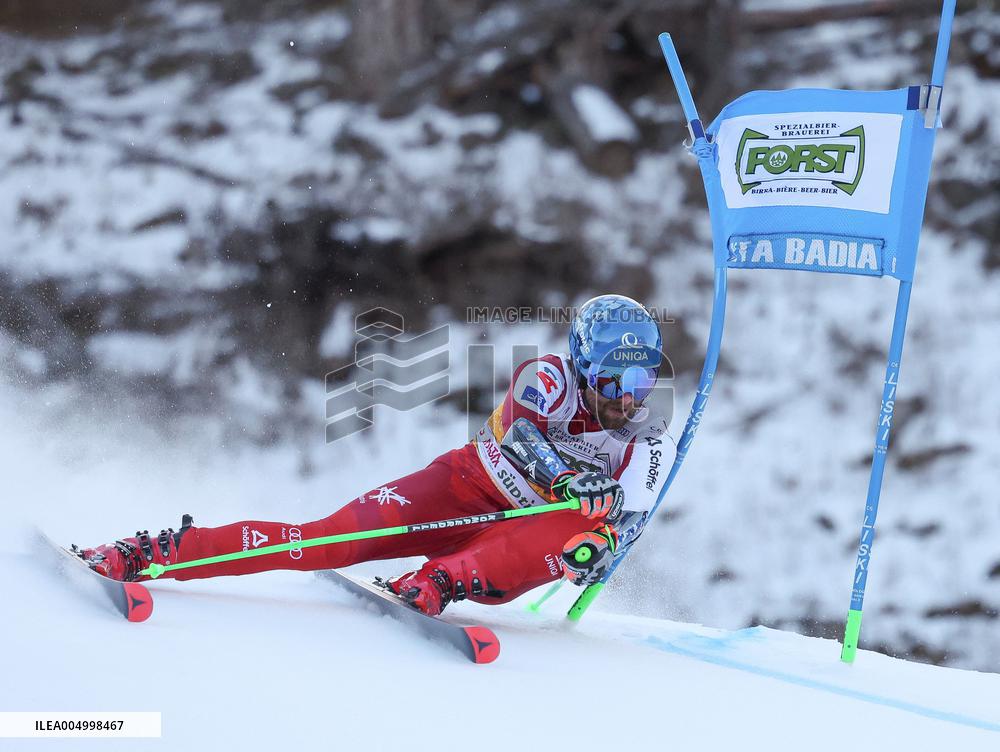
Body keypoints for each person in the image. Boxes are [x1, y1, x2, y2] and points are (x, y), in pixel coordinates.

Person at [78, 294, 676, 616]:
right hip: (462, 487)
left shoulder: (652, 438)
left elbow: (627, 520)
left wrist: (600, 549)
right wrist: (573, 477)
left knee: (582, 527)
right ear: (582, 366)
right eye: (615, 381)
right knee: (323, 540)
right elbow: (523, 438)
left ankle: (436, 583)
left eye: (642, 382)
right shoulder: (546, 376)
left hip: (508, 542)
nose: (629, 400)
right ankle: (156, 551)